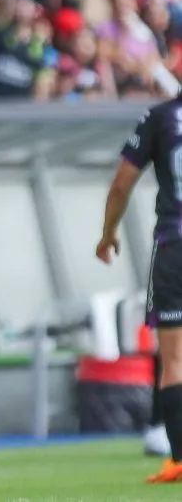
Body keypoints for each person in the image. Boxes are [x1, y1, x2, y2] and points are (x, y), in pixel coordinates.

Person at [96, 94, 182, 482]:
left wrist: (108, 233)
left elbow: (121, 184)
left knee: (175, 360)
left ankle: (179, 461)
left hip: (174, 247)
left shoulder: (160, 117)